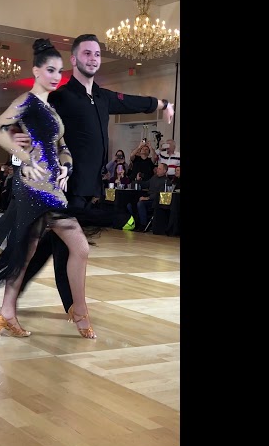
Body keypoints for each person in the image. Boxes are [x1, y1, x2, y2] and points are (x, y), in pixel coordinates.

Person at [10, 33, 174, 313]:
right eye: (87, 53)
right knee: (69, 248)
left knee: (52, 245)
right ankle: (74, 308)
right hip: (64, 185)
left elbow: (133, 101)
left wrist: (162, 104)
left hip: (88, 187)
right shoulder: (60, 96)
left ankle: (14, 291)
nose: (93, 58)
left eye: (97, 54)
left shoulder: (103, 97)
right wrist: (16, 134)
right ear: (73, 59)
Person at [0, 38, 97, 339]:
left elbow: (62, 146)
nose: (57, 76)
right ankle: (80, 311)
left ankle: (7, 313)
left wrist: (67, 168)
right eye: (50, 70)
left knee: (27, 250)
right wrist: (23, 158)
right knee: (78, 246)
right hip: (34, 186)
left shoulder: (51, 110)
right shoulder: (27, 102)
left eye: (60, 70)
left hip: (52, 186)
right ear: (36, 71)